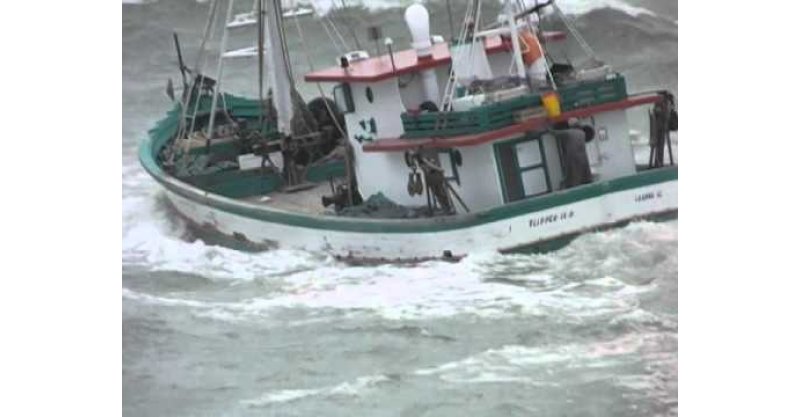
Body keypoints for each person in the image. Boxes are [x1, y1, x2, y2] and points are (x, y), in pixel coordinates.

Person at [552, 118, 593, 188]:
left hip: (572, 158)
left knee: (573, 175)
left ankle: (572, 185)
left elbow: (555, 133)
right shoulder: (582, 133)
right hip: (582, 157)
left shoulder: (569, 132)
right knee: (584, 174)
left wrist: (548, 129)